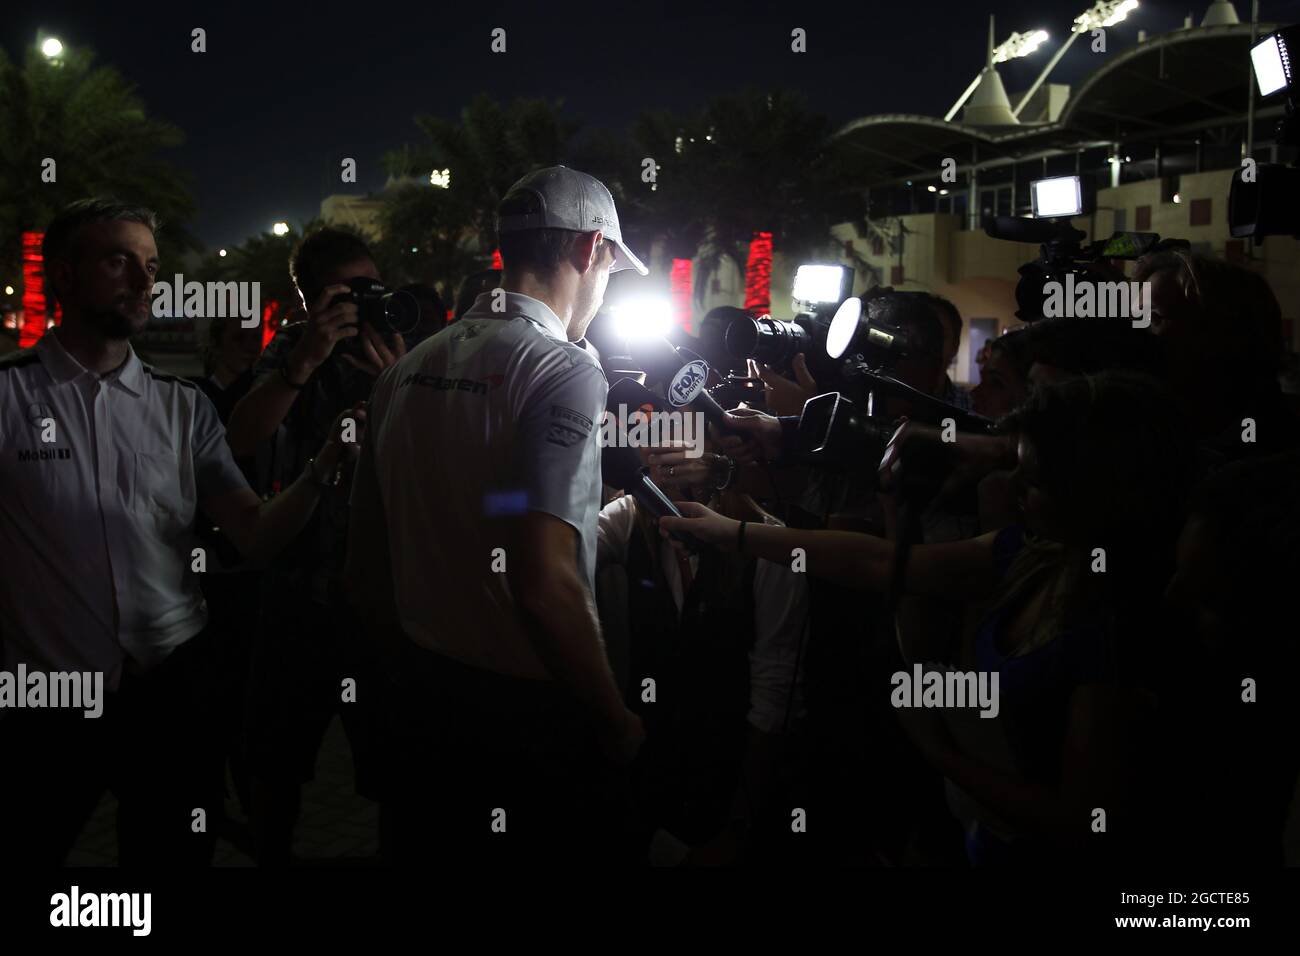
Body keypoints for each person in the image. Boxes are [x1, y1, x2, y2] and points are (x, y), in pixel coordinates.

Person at [665, 372, 1195, 864]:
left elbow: (1080, 819)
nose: (1013, 490)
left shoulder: (1118, 628)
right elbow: (878, 563)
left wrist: (938, 751)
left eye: (1033, 480)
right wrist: (730, 533)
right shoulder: (1034, 554)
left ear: (1097, 488)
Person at [0, 198, 348, 866]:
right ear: (65, 276)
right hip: (44, 703)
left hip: (171, 696)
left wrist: (321, 470)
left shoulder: (181, 406)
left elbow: (253, 532)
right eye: (117, 261)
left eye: (151, 266)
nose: (142, 282)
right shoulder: (11, 399)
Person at [347, 166, 649, 863]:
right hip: (527, 720)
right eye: (610, 269)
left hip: (421, 703)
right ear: (592, 249)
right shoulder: (564, 370)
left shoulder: (404, 369)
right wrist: (614, 718)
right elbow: (544, 584)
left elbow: (367, 562)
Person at [224, 227, 405, 865]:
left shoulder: (400, 351)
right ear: (312, 298)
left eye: (373, 286)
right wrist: (304, 362)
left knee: (396, 778)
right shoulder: (292, 351)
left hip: (379, 596)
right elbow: (241, 438)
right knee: (275, 768)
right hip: (297, 590)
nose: (366, 302)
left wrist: (396, 385)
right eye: (351, 291)